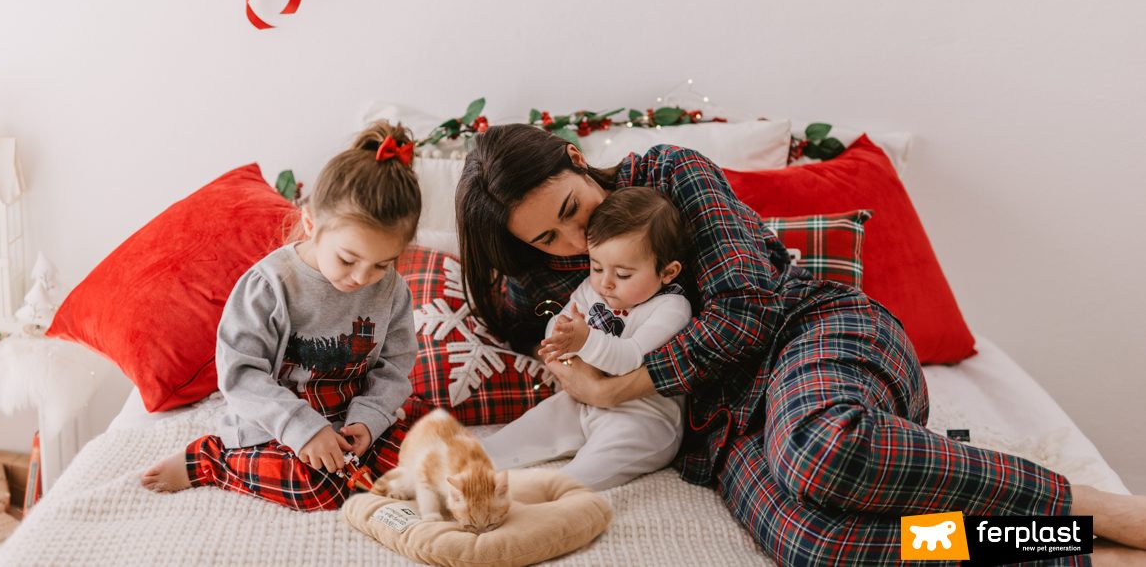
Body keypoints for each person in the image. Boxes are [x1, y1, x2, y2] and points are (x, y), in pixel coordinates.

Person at [455, 123, 1146, 564]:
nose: (575, 244)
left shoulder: (670, 174)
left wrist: (616, 386)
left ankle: (1093, 507)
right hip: (726, 428)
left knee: (822, 450)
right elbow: (503, 317)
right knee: (819, 544)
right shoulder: (554, 278)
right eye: (548, 239)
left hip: (814, 333)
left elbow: (745, 311)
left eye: (571, 212)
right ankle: (1063, 545)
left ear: (578, 160)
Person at [142, 121, 421, 512]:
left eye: (381, 265)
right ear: (311, 224)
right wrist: (304, 430)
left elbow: (395, 367)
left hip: (349, 415)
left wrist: (369, 421)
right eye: (347, 259)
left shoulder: (392, 290)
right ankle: (211, 460)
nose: (362, 278)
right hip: (276, 420)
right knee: (317, 490)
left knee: (418, 470)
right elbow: (240, 375)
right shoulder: (271, 286)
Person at [479, 187, 693, 490]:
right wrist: (559, 330)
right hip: (582, 402)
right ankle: (472, 462)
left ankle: (549, 491)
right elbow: (559, 323)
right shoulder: (592, 289)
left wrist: (583, 342)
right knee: (534, 425)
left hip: (645, 416)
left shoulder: (671, 307)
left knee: (595, 465)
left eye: (623, 274)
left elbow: (630, 359)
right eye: (596, 267)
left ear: (667, 272)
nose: (605, 283)